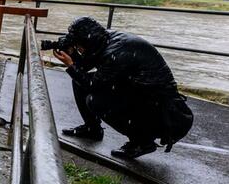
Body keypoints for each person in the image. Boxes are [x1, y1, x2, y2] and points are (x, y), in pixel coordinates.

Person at [54, 16, 193, 159]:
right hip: (136, 89)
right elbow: (84, 68)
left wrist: (71, 65)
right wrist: (72, 55)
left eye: (79, 46)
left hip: (158, 105)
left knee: (96, 101)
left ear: (87, 41)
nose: (79, 49)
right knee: (78, 80)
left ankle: (142, 142)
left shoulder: (117, 51)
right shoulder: (102, 39)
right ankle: (92, 129)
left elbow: (93, 85)